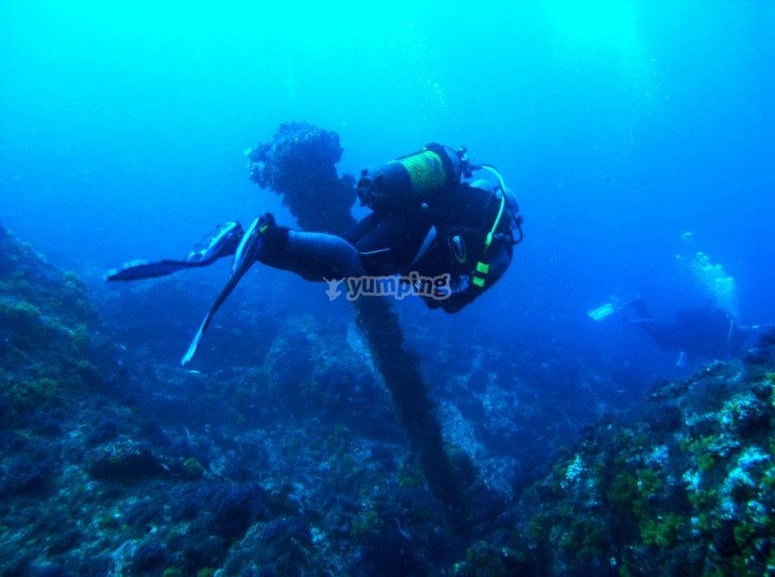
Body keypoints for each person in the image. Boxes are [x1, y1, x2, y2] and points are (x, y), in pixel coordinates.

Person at [106, 143, 523, 364]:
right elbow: (450, 304)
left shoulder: (469, 205)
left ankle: (247, 242)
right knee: (348, 263)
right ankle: (267, 234)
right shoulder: (500, 247)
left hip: (403, 216)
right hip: (415, 232)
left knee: (327, 266)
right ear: (511, 223)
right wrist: (450, 292)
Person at [617, 296, 756, 366]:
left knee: (662, 338)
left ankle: (640, 308)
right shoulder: (730, 340)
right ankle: (641, 311)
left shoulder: (726, 326)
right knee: (660, 337)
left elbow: (704, 350)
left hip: (689, 332)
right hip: (688, 336)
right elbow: (712, 353)